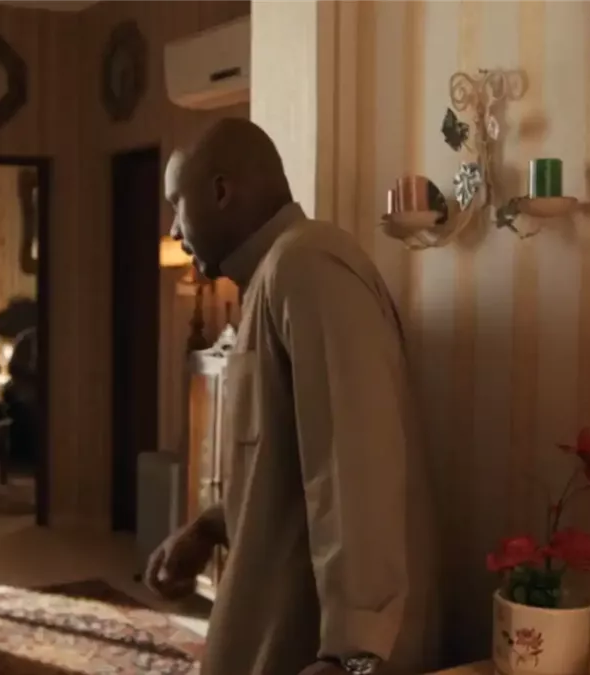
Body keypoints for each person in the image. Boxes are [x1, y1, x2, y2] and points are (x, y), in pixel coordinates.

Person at [145, 119, 441, 675]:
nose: (176, 230)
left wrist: (351, 653)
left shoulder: (307, 264)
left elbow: (354, 464)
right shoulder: (272, 276)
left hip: (314, 645)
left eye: (176, 205)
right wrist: (210, 526)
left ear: (220, 191)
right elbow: (283, 465)